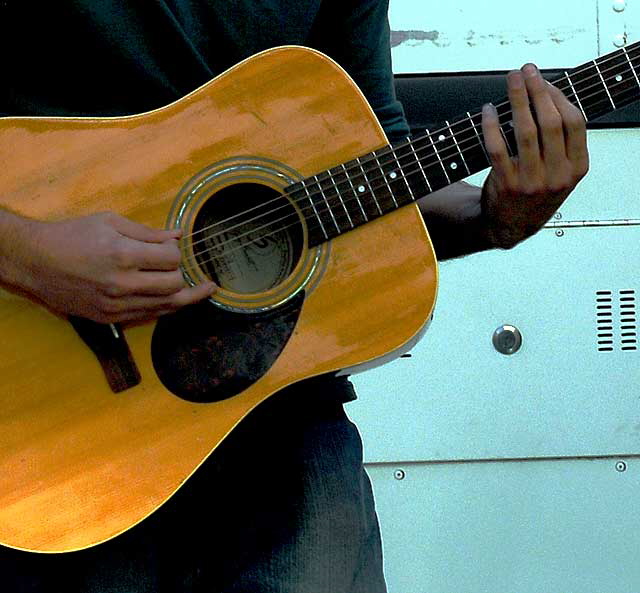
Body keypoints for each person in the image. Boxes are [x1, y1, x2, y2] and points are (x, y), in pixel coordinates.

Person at [0, 1, 588, 592]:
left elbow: (373, 173)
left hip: (279, 418)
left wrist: (493, 218)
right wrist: (28, 256)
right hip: (51, 433)